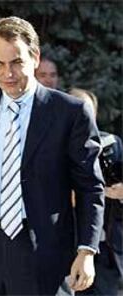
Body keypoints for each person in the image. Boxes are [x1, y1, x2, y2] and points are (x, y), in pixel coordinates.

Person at [0, 16, 105, 295]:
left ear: (35, 58)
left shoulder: (70, 113)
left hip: (44, 254)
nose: (7, 74)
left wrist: (87, 251)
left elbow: (89, 186)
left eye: (16, 62)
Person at [69, 87, 123, 296]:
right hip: (64, 245)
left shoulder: (113, 143)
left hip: (107, 247)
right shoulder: (51, 144)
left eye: (86, 110)